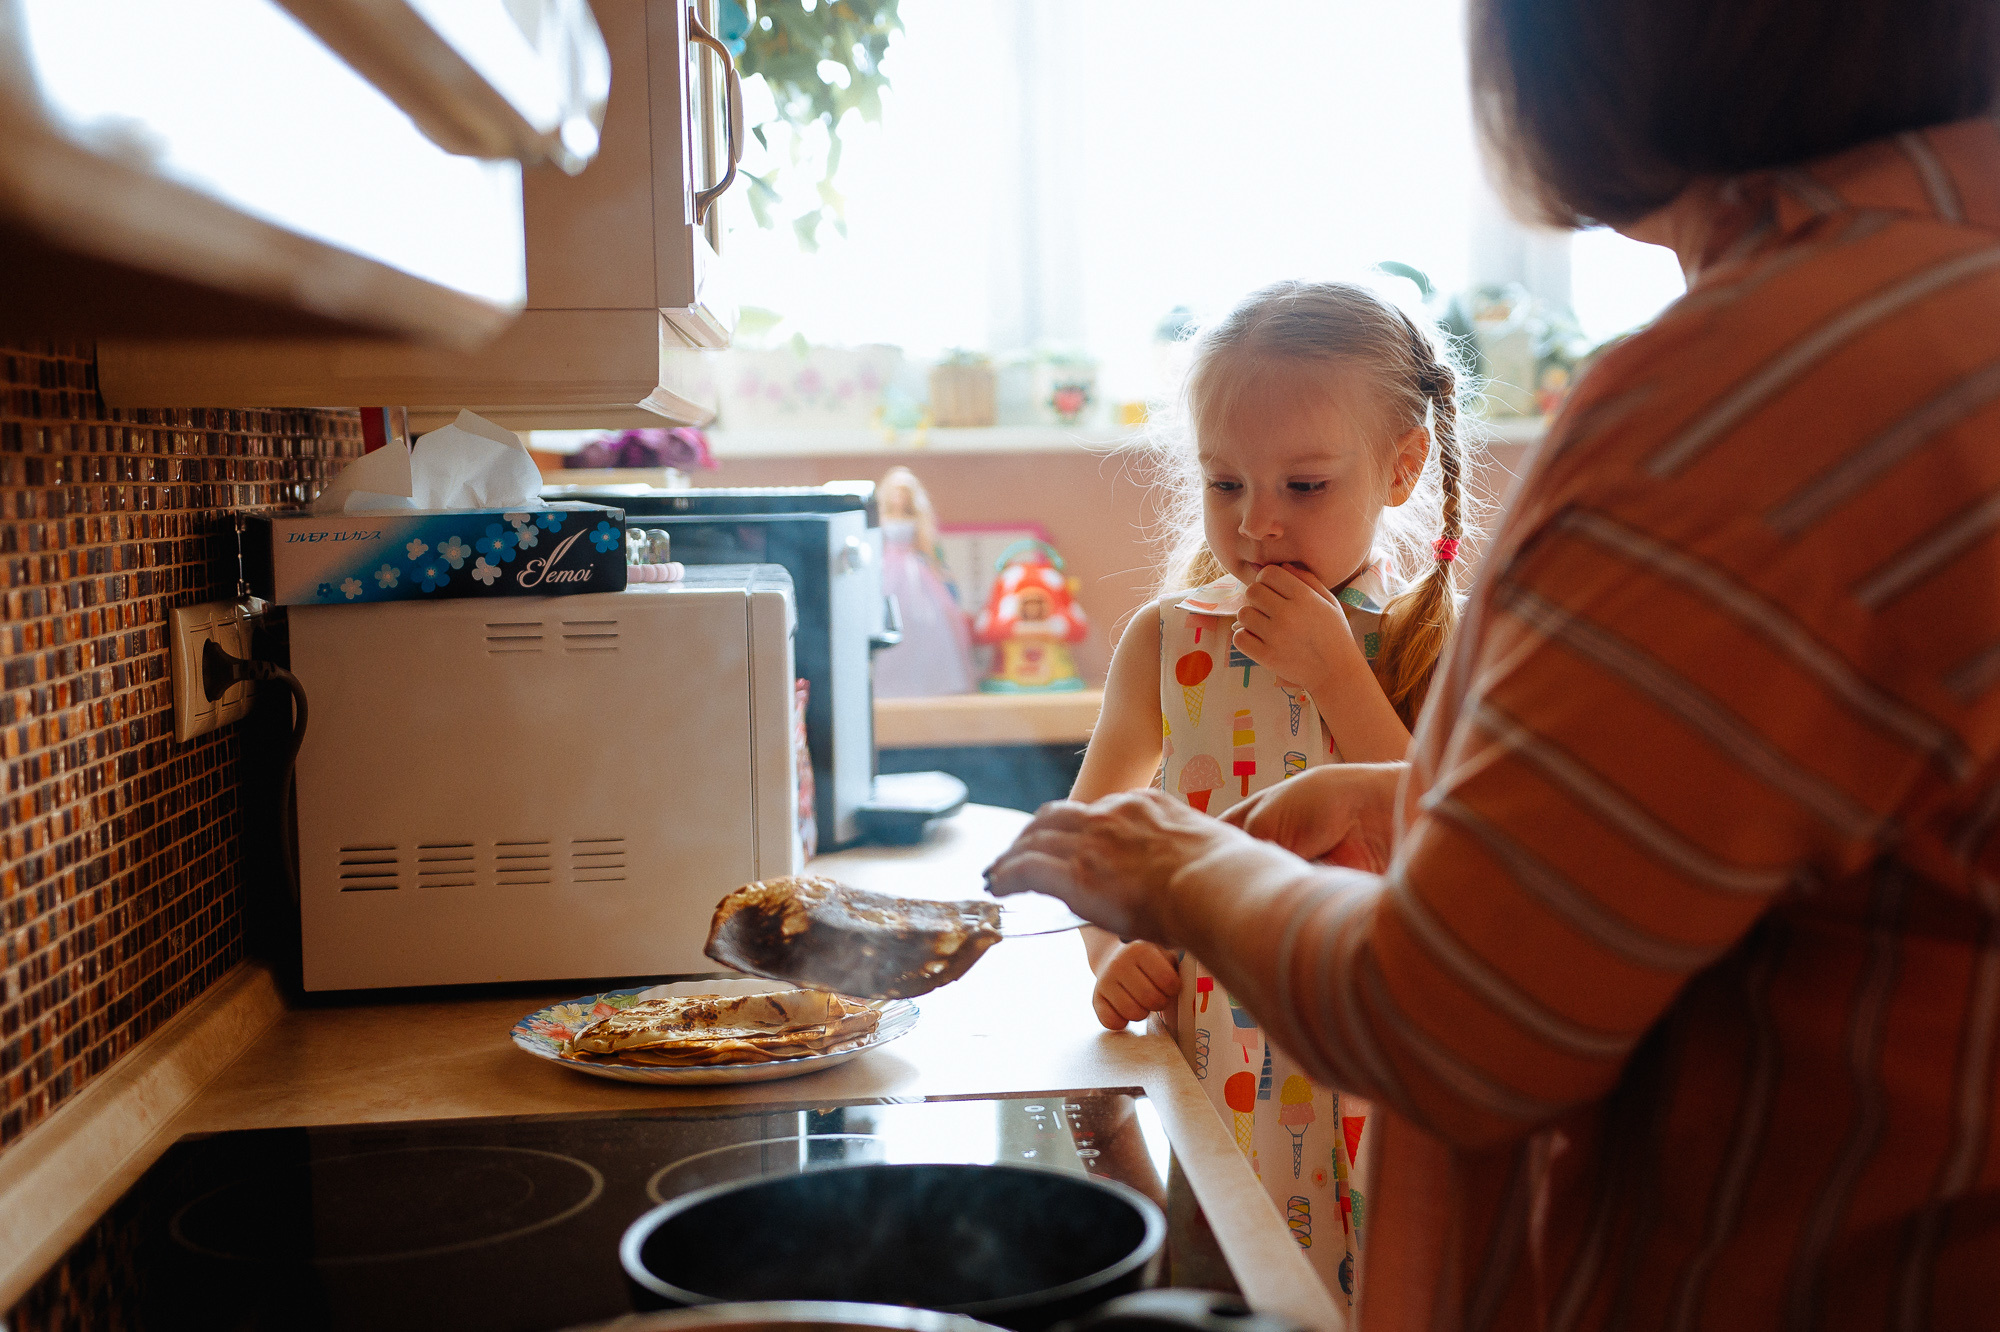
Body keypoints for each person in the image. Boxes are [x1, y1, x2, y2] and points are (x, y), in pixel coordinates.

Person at [986, 1, 2000, 1328]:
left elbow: (1452, 1019)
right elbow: (1765, 847)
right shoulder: (1941, 311)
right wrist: (1399, 808)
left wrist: (1174, 869)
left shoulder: (1743, 408)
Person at [1070, 280, 1472, 1305]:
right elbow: (1095, 839)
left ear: (1401, 467)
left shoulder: (1440, 638)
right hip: (1220, 1071)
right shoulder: (1167, 642)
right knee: (1236, 1296)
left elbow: (1445, 846)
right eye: (1222, 484)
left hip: (1388, 1070)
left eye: (1301, 488)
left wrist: (1337, 676)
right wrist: (1113, 955)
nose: (1254, 526)